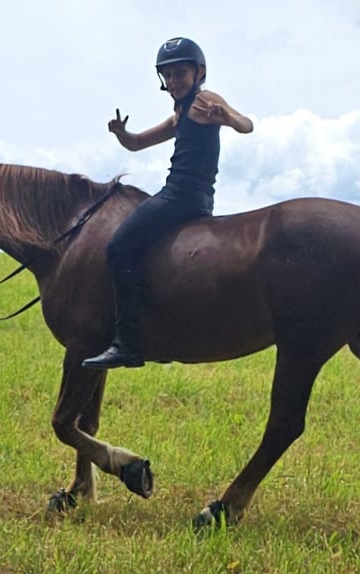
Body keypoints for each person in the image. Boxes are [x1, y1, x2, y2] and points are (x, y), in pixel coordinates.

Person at [82, 37, 254, 370]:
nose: (174, 81)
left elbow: (246, 124)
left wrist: (228, 118)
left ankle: (127, 344)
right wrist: (121, 133)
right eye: (168, 75)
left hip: (182, 197)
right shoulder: (179, 112)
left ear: (198, 72)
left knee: (118, 248)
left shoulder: (205, 100)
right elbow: (137, 144)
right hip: (186, 196)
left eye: (180, 74)